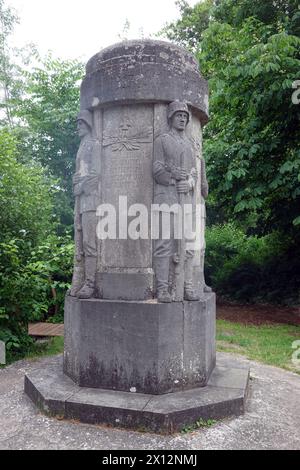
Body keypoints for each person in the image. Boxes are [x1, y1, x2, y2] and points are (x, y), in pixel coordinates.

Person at [153, 101, 200, 302]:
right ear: (171, 118)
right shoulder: (162, 140)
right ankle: (163, 288)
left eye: (185, 116)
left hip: (186, 201)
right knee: (164, 244)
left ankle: (186, 285)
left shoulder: (190, 144)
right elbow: (156, 169)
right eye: (178, 115)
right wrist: (173, 178)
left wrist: (189, 183)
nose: (182, 119)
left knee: (187, 245)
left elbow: (194, 173)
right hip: (166, 198)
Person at [69, 110, 100, 299]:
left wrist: (80, 186)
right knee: (80, 243)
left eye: (81, 123)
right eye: (77, 124)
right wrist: (76, 182)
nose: (78, 127)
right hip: (81, 202)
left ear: (88, 125)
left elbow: (96, 173)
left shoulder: (94, 145)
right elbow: (81, 172)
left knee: (89, 244)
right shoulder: (82, 146)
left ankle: (90, 283)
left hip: (91, 201)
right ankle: (81, 280)